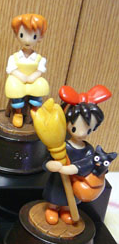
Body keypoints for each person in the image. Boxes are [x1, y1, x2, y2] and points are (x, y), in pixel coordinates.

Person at [42, 85, 112, 224]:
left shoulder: (88, 149)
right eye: (75, 128)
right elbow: (45, 161)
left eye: (88, 130)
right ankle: (52, 209)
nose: (81, 134)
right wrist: (51, 165)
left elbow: (89, 163)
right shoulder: (61, 146)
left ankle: (66, 210)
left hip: (76, 181)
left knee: (70, 199)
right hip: (58, 180)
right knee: (55, 195)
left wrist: (75, 168)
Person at [4, 13, 49, 128]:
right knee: (15, 90)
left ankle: (35, 110)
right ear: (16, 35)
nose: (27, 40)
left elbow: (40, 70)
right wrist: (21, 76)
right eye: (22, 35)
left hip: (32, 80)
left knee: (40, 86)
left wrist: (33, 77)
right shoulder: (14, 57)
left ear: (40, 37)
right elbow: (11, 69)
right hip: (19, 80)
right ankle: (18, 113)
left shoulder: (39, 59)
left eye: (33, 36)